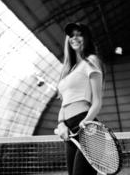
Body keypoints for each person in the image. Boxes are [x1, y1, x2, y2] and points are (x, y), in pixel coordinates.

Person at [56, 22, 105, 175]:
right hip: (69, 131)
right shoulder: (68, 70)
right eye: (71, 35)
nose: (74, 38)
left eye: (79, 34)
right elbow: (64, 104)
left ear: (87, 38)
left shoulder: (91, 61)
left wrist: (85, 122)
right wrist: (61, 124)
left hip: (88, 127)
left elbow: (97, 101)